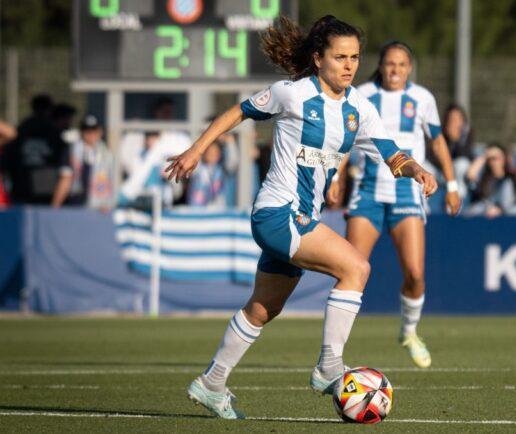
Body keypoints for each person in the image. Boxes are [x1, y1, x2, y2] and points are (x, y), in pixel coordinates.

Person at [164, 15, 437, 419]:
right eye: (340, 57)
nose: (349, 65)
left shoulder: (358, 107)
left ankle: (211, 382)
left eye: (355, 57)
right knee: (356, 268)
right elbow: (237, 112)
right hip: (278, 212)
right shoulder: (292, 94)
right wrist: (196, 150)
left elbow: (391, 152)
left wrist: (416, 170)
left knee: (263, 309)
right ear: (318, 58)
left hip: (299, 217)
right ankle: (329, 367)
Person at [325, 41, 460, 368]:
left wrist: (452, 183)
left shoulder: (423, 99)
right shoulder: (362, 94)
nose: (395, 70)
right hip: (368, 193)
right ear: (381, 66)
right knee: (350, 269)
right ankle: (333, 354)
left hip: (406, 193)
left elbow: (438, 141)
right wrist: (335, 177)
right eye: (389, 64)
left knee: (414, 274)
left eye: (401, 64)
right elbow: (346, 139)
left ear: (409, 68)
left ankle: (409, 332)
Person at [0, 95, 73, 206]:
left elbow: (6, 163)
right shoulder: (53, 133)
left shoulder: (22, 130)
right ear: (49, 110)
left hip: (21, 192)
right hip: (47, 193)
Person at [65, 115, 114, 209]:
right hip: (76, 202)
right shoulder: (72, 150)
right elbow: (66, 179)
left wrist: (107, 202)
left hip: (101, 206)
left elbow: (113, 180)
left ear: (100, 131)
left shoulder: (107, 153)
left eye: (94, 130)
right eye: (87, 131)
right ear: (81, 132)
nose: (91, 134)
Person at [465, 143, 514, 217]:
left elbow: (509, 206)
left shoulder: (510, 179)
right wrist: (485, 156)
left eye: (497, 158)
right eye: (490, 159)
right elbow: (470, 175)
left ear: (504, 159)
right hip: (483, 216)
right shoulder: (484, 179)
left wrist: (499, 210)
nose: (493, 162)